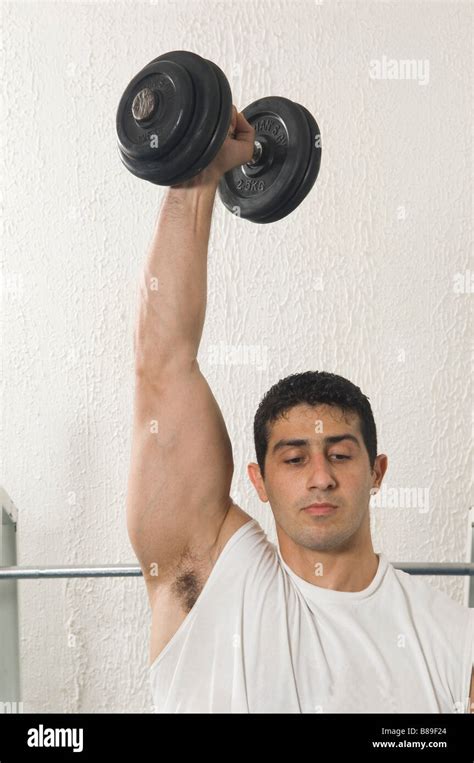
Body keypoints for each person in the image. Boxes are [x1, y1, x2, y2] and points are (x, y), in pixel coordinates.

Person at [126, 106, 474, 713]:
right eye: (293, 458)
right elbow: (163, 366)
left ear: (378, 471)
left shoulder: (450, 638)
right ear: (257, 480)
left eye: (341, 453)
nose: (321, 475)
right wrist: (197, 176)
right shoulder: (210, 582)